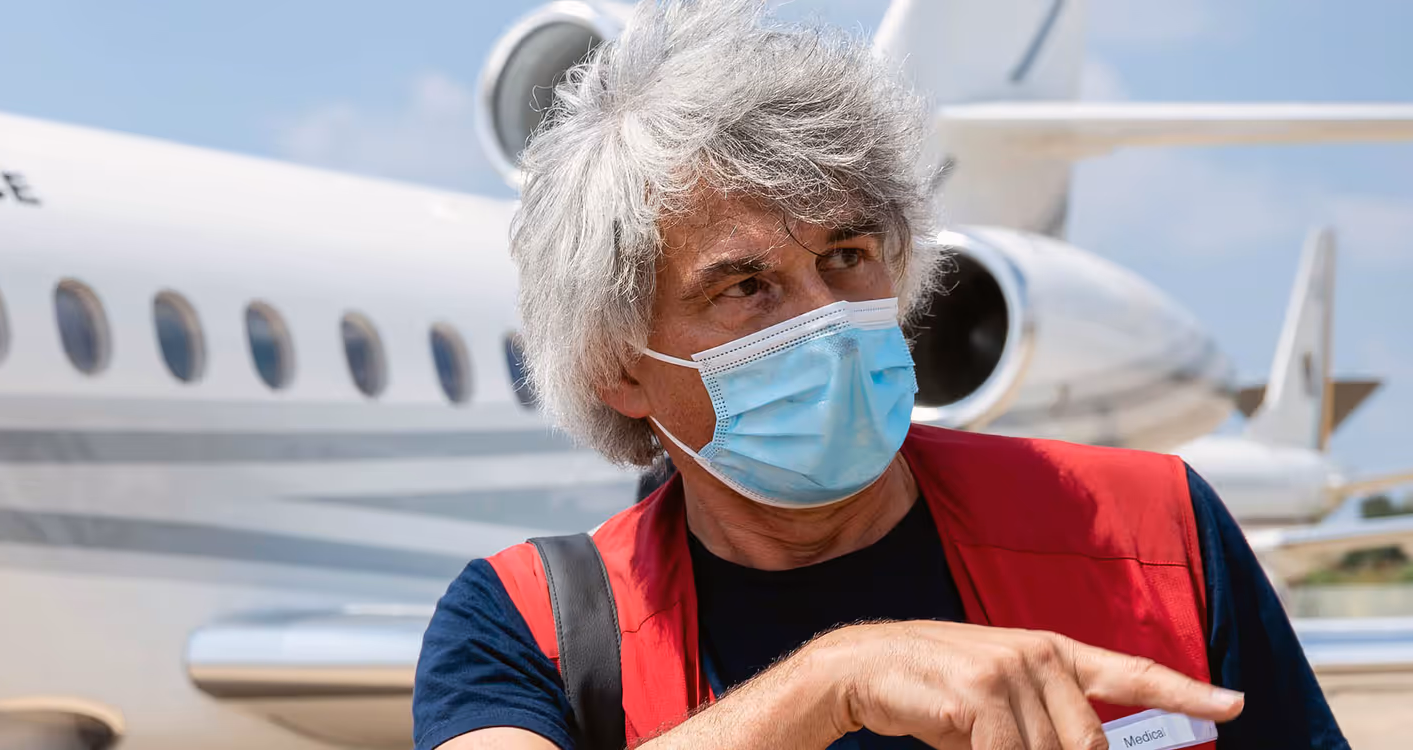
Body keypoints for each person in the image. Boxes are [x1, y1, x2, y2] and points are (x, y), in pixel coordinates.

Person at [413, 2, 1348, 748]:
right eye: (746, 285)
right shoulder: (526, 625)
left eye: (849, 255)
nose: (825, 315)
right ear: (620, 366)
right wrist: (835, 683)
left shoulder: (1158, 534)